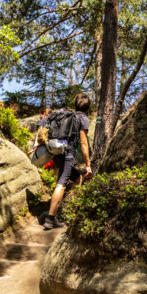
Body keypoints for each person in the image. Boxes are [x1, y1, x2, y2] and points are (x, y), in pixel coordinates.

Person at [43, 93, 92, 230]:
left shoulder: (69, 115)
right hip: (67, 154)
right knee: (61, 184)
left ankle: (66, 209)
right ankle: (50, 218)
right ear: (88, 106)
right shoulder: (83, 118)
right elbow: (83, 144)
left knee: (77, 179)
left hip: (57, 153)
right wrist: (88, 165)